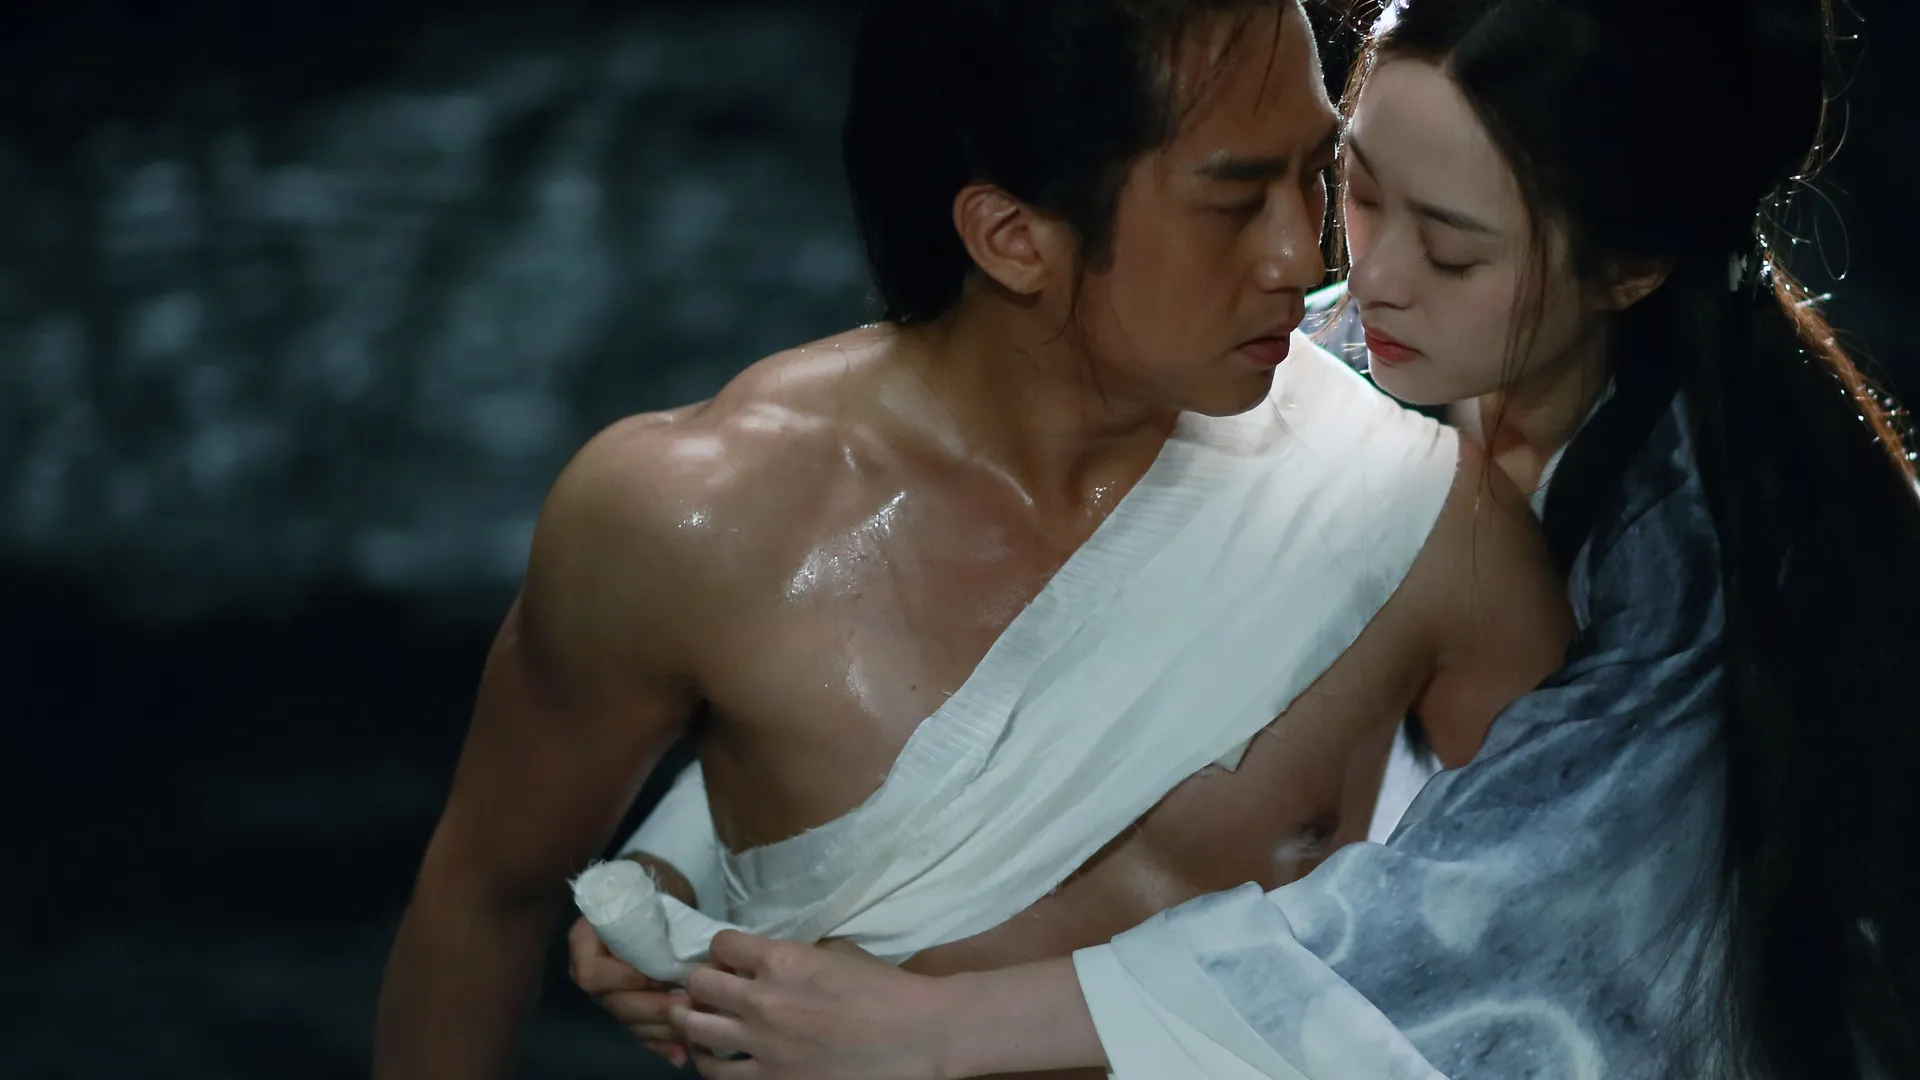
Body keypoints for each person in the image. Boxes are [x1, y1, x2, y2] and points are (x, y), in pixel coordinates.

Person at [658, 0, 1920, 1077]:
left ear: (1630, 269)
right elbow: (997, 609)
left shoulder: (1700, 569)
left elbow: (1461, 932)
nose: (1370, 278)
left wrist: (931, 1032)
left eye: (1452, 250)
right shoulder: (1320, 354)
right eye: (1356, 190)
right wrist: (711, 866)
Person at [370, 2, 1577, 1077]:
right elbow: (482, 899)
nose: (1303, 256)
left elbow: (1560, 957)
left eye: (1321, 175)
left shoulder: (1422, 525)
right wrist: (681, 879)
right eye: (1232, 201)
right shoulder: (685, 526)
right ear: (1012, 236)